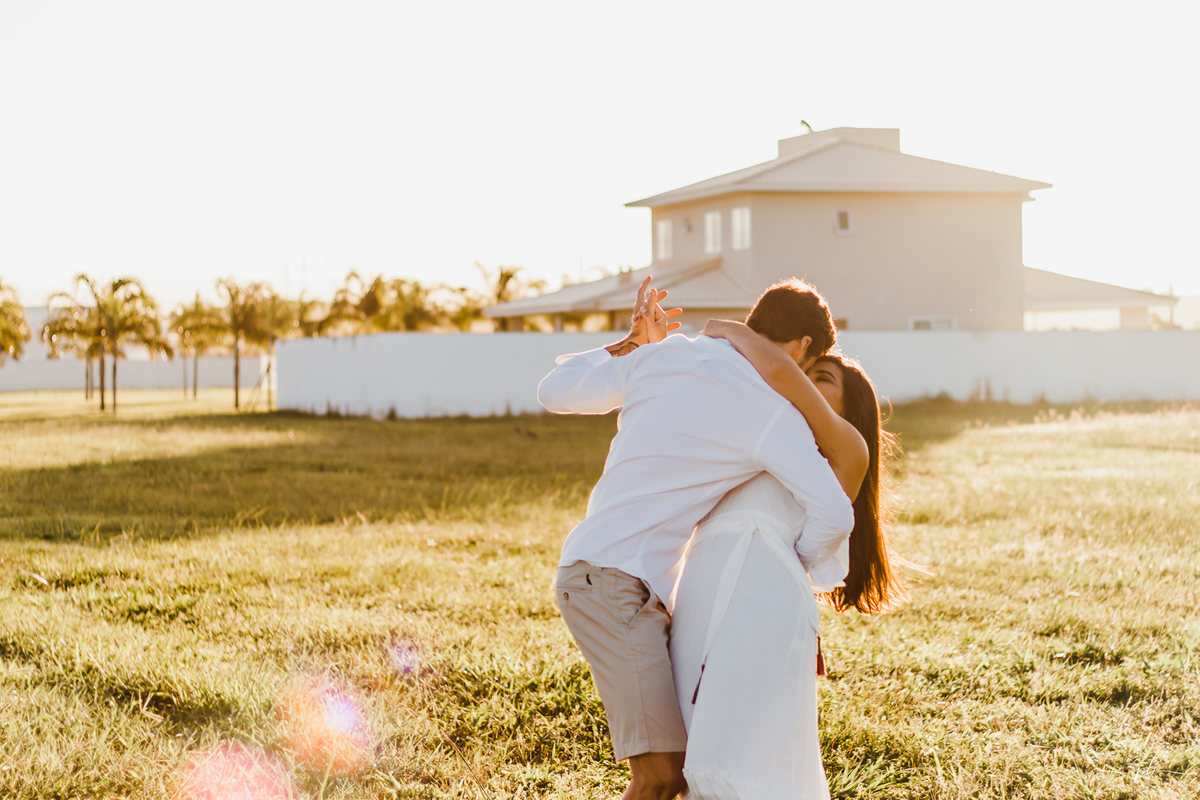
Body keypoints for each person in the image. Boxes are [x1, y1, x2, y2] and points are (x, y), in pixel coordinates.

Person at [538, 277, 854, 800]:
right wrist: (785, 568)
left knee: (685, 767)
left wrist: (633, 343)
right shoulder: (771, 409)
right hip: (613, 583)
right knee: (661, 777)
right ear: (801, 350)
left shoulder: (666, 356)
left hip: (612, 579)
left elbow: (553, 390)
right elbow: (834, 512)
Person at [670, 319, 909, 800]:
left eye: (822, 379)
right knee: (694, 738)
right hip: (702, 581)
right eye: (808, 373)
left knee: (741, 751)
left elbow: (779, 370)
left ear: (850, 407)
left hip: (762, 589)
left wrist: (773, 556)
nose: (805, 382)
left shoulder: (846, 447)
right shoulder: (760, 435)